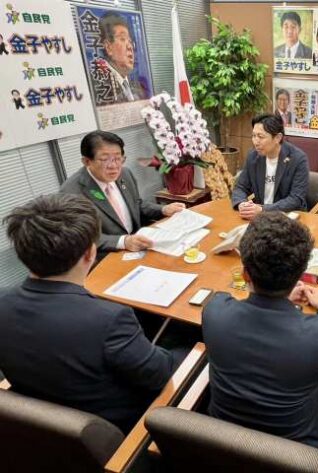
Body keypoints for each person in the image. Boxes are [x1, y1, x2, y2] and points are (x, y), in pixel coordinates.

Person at [0, 194, 174, 433]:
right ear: (90, 253)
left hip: (39, 426)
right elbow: (159, 375)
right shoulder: (109, 318)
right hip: (118, 431)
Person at [202, 212, 318, 450]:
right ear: (300, 275)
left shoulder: (214, 311)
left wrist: (280, 298)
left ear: (245, 274)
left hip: (220, 443)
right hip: (298, 453)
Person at [60, 130, 185, 258]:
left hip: (138, 247)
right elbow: (79, 238)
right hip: (107, 257)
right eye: (104, 159)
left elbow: (137, 205)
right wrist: (123, 242)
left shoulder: (125, 174)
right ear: (87, 161)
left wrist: (164, 209)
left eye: (118, 158)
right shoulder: (71, 192)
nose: (114, 166)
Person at [231, 114, 309, 219]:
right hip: (259, 218)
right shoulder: (253, 156)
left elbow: (296, 199)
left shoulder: (298, 159)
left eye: (260, 137)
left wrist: (263, 210)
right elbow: (240, 187)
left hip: (287, 217)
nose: (255, 142)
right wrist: (242, 204)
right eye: (253, 136)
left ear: (277, 138)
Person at [92, 12, 148, 104]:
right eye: (123, 39)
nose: (130, 47)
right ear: (108, 47)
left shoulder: (137, 86)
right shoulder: (100, 86)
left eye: (130, 41)